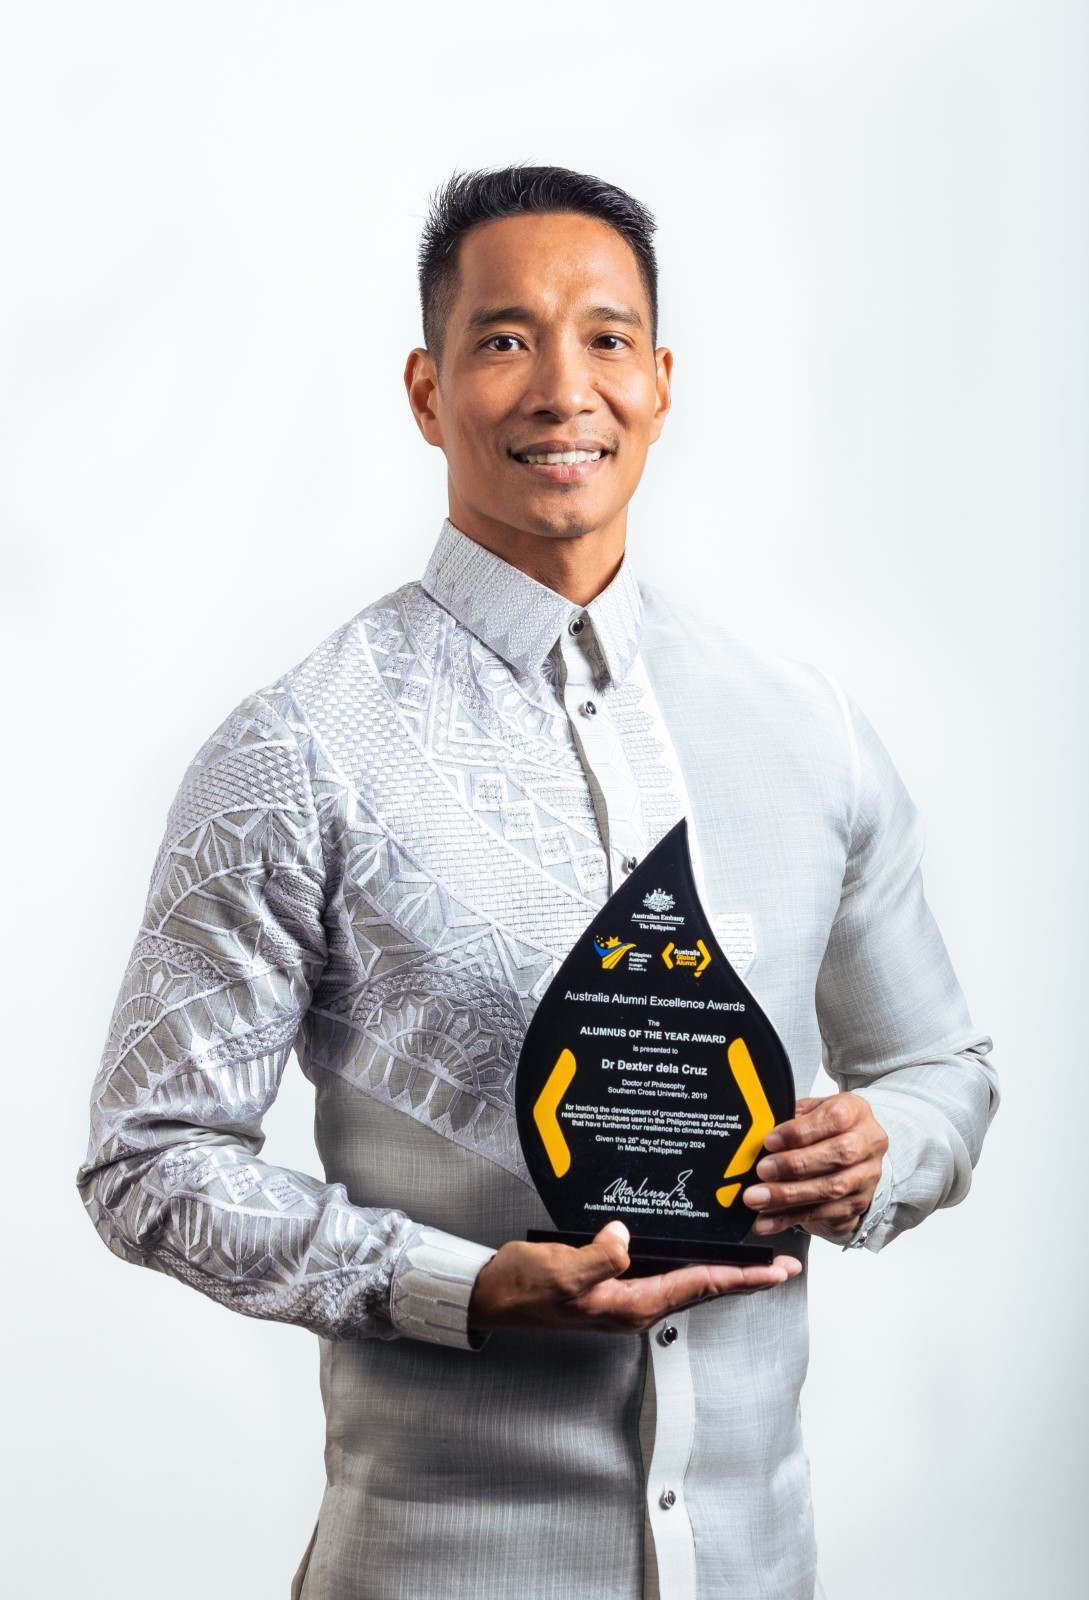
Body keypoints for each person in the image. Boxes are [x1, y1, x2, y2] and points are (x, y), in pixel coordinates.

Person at [77, 165, 998, 1600]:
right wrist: (464, 1286)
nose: (564, 388)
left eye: (606, 338)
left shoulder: (802, 728)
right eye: (505, 340)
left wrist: (884, 1144)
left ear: (662, 380)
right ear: (426, 390)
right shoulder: (300, 749)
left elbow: (940, 1063)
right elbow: (150, 1163)